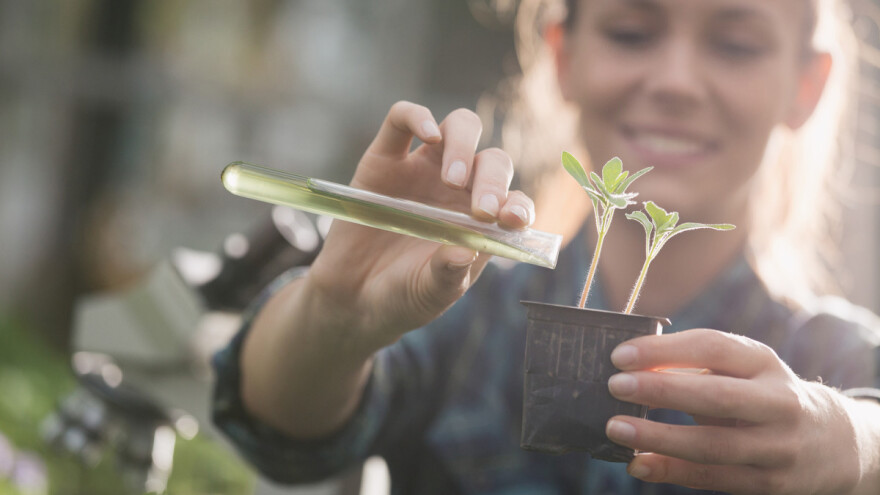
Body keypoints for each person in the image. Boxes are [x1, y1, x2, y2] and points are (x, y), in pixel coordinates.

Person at [212, 0, 880, 493]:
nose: (676, 80)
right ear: (564, 57)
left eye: (734, 45)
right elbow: (280, 429)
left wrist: (853, 442)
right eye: (629, 33)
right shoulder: (467, 313)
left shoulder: (834, 357)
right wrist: (334, 314)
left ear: (805, 86)